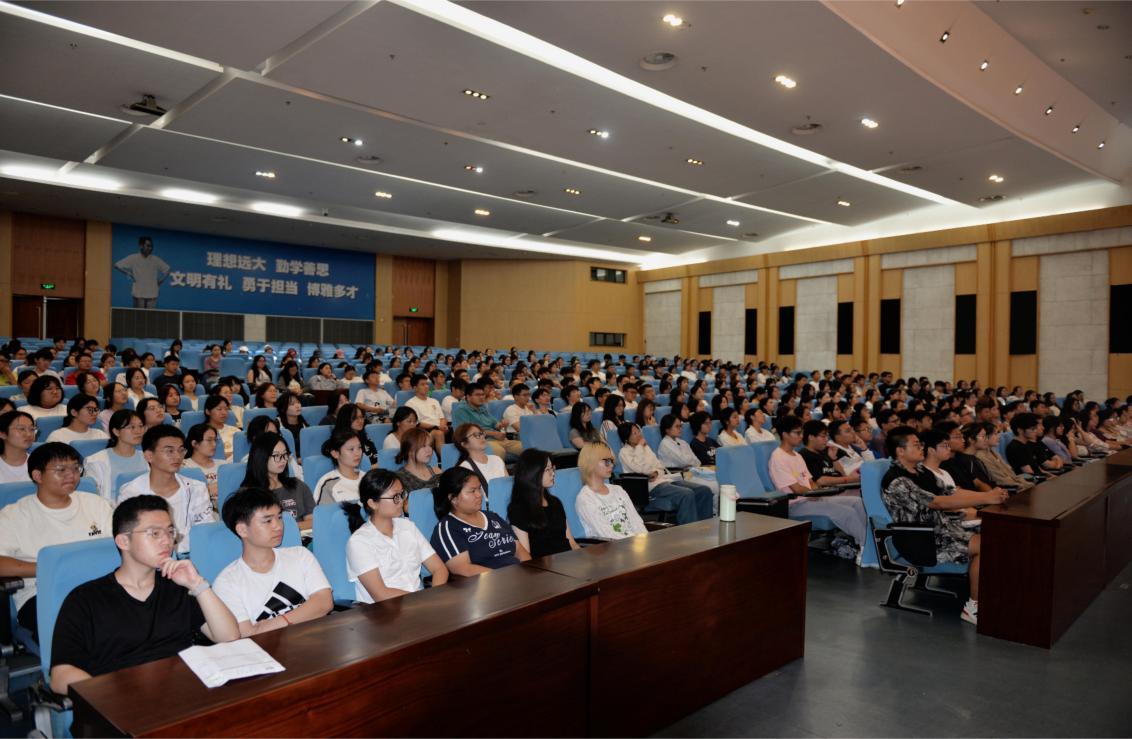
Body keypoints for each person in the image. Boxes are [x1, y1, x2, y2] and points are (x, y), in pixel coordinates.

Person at [49, 494, 240, 694]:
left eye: (170, 532)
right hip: (120, 699)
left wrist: (197, 584)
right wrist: (110, 699)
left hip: (184, 693)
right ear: (124, 541)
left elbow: (229, 637)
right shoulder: (85, 599)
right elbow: (61, 676)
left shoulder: (178, 587)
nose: (167, 541)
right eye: (154, 533)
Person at [881, 426, 1006, 625]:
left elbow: (952, 492)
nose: (921, 448)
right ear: (900, 451)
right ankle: (973, 607)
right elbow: (937, 502)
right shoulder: (898, 480)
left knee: (996, 534)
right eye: (916, 445)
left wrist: (990, 495)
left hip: (942, 532)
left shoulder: (921, 471)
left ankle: (990, 594)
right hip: (922, 541)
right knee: (986, 546)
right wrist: (986, 498)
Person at [0, 443, 114, 643]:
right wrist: (53, 568)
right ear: (38, 475)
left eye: (75, 468)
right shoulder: (13, 515)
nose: (71, 475)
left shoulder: (96, 504)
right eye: (61, 470)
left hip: (99, 586)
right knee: (82, 631)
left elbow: (121, 546)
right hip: (44, 592)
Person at [213, 487, 332, 635]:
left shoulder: (300, 555)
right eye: (268, 521)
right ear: (242, 530)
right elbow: (245, 633)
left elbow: (324, 603)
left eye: (279, 517)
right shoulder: (227, 582)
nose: (278, 526)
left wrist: (278, 622)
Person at [768, 416, 868, 557]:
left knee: (857, 502)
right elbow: (796, 489)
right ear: (784, 434)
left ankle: (866, 544)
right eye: (797, 433)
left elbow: (810, 482)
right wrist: (815, 493)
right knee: (847, 512)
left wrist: (820, 493)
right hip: (796, 504)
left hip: (812, 497)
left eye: (801, 432)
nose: (801, 436)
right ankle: (867, 551)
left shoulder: (796, 455)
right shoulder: (778, 458)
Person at [343, 469, 449, 602]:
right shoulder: (359, 542)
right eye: (395, 497)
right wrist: (422, 602)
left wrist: (434, 597)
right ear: (373, 503)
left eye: (402, 494)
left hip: (420, 603)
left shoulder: (408, 527)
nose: (401, 501)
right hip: (385, 610)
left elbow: (439, 569)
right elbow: (380, 594)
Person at [117, 425, 215, 555]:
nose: (177, 456)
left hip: (194, 556)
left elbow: (205, 532)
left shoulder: (196, 488)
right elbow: (132, 539)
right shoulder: (131, 493)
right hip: (151, 560)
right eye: (169, 451)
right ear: (149, 456)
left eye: (181, 450)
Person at [430, 467, 530, 574]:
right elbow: (463, 569)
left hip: (517, 576)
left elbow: (520, 551)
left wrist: (528, 572)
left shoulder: (492, 517)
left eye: (479, 489)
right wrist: (504, 578)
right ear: (453, 498)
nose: (479, 495)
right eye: (472, 491)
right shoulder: (448, 528)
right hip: (489, 582)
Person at [617, 423, 713, 524]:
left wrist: (655, 472)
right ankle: (689, 531)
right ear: (626, 438)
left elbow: (659, 467)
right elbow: (640, 468)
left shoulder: (646, 448)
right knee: (687, 494)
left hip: (663, 479)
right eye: (634, 433)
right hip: (648, 486)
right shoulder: (624, 452)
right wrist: (640, 448)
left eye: (638, 431)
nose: (639, 435)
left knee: (704, 490)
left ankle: (704, 527)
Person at [507, 449, 580, 557]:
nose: (553, 473)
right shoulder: (519, 510)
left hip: (568, 560)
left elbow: (571, 542)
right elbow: (525, 555)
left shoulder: (555, 503)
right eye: (547, 470)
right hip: (542, 565)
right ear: (533, 473)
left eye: (552, 468)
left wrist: (583, 559)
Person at [241, 432, 315, 530]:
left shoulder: (297, 485)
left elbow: (313, 521)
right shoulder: (249, 494)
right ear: (261, 457)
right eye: (276, 455)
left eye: (285, 454)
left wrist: (289, 529)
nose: (283, 460)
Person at [576, 441, 648, 540]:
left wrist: (645, 541)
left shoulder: (618, 490)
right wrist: (635, 543)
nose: (611, 465)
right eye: (607, 461)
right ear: (591, 463)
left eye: (612, 461)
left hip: (634, 544)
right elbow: (606, 534)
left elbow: (636, 522)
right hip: (611, 547)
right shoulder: (586, 499)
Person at [85, 410, 149, 501]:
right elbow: (93, 498)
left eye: (141, 426)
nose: (138, 431)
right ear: (116, 432)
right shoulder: (96, 461)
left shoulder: (148, 457)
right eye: (132, 427)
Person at [452, 381, 522, 461]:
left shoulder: (483, 408)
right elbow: (468, 432)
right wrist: (494, 433)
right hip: (481, 441)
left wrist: (502, 424)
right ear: (468, 397)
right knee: (499, 451)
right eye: (477, 395)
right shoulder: (461, 410)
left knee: (526, 447)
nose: (481, 397)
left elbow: (495, 424)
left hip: (499, 439)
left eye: (482, 394)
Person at [797, 420, 859, 487]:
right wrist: (848, 479)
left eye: (827, 436)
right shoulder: (805, 455)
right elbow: (820, 481)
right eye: (823, 436)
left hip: (841, 487)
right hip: (828, 491)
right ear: (811, 437)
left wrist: (834, 459)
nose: (826, 439)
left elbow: (842, 474)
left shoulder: (826, 451)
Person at [114, 235, 170, 308]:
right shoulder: (133, 258)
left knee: (150, 315)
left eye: (151, 246)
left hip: (152, 293)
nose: (150, 248)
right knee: (139, 314)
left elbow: (168, 269)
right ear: (141, 246)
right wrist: (128, 273)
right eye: (148, 246)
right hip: (138, 293)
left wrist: (161, 280)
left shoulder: (155, 259)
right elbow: (116, 265)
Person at [314, 429, 365, 505]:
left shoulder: (367, 477)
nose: (357, 453)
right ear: (335, 454)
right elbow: (323, 512)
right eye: (351, 449)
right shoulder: (327, 483)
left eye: (359, 447)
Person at [453, 422, 508, 491]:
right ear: (464, 444)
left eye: (481, 433)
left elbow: (508, 487)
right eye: (476, 435)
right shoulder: (464, 469)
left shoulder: (497, 459)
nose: (482, 437)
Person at [404, 374, 447, 455]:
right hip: (424, 431)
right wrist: (437, 427)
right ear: (415, 388)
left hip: (439, 428)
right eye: (422, 384)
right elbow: (417, 423)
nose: (426, 386)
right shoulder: (410, 403)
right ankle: (446, 460)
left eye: (427, 384)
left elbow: (442, 418)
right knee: (438, 433)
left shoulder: (434, 401)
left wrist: (442, 426)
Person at [395, 427, 442, 500]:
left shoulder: (437, 471)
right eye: (423, 446)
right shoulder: (400, 478)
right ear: (409, 450)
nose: (429, 450)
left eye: (430, 445)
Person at [182, 423, 220, 508]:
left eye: (215, 440)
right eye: (209, 440)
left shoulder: (224, 465)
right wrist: (208, 490)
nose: (214, 444)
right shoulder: (184, 467)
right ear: (194, 443)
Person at [0, 410, 35, 482]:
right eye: (21, 429)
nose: (29, 434)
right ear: (2, 434)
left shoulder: (40, 464)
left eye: (32, 429)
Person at [204, 394, 239, 462]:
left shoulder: (236, 431)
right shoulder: (201, 432)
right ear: (208, 411)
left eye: (226, 409)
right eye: (219, 409)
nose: (224, 413)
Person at [275, 393, 309, 458]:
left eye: (298, 402)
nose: (297, 406)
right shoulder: (277, 424)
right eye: (292, 404)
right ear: (282, 408)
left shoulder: (303, 423)